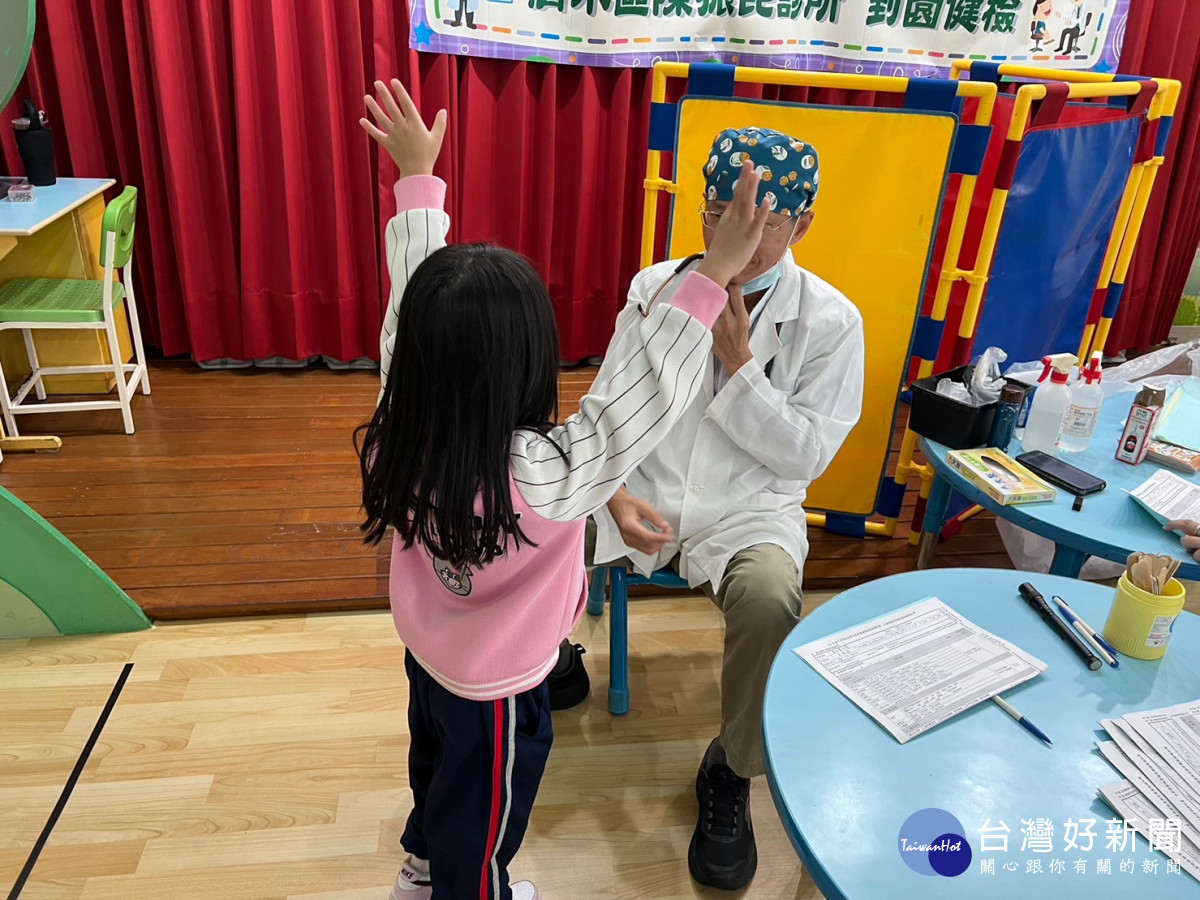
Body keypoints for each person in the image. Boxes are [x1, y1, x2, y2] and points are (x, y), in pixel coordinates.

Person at [357, 78, 773, 900]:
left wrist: (417, 183)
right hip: (502, 693)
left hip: (429, 660)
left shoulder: (397, 425)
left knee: (435, 771)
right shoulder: (546, 472)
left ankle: (420, 867)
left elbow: (411, 311)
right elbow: (638, 394)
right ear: (529, 367)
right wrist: (716, 271)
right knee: (487, 826)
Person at [550, 126, 865, 891]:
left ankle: (731, 767)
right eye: (718, 213)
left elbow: (804, 457)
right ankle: (550, 656)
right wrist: (614, 492)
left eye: (759, 219)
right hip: (643, 486)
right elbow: (605, 410)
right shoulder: (654, 287)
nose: (735, 235)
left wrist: (739, 367)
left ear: (802, 223)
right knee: (544, 517)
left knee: (767, 597)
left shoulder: (831, 322)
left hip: (747, 511)